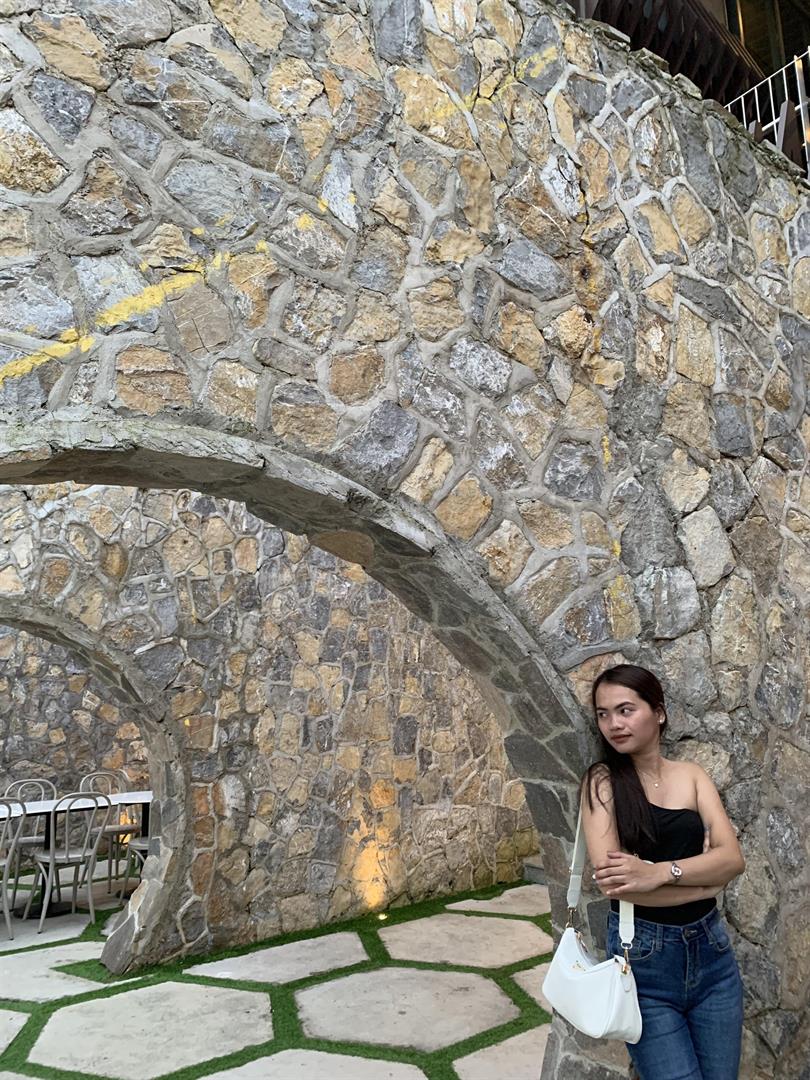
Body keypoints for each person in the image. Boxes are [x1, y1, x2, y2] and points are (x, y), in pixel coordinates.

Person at [580, 663, 746, 1080]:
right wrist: (704, 883)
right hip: (644, 961)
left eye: (625, 710)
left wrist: (658, 873)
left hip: (712, 956)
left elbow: (732, 859)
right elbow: (619, 885)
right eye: (603, 714)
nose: (614, 724)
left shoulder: (691, 776)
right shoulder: (602, 783)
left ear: (659, 712)